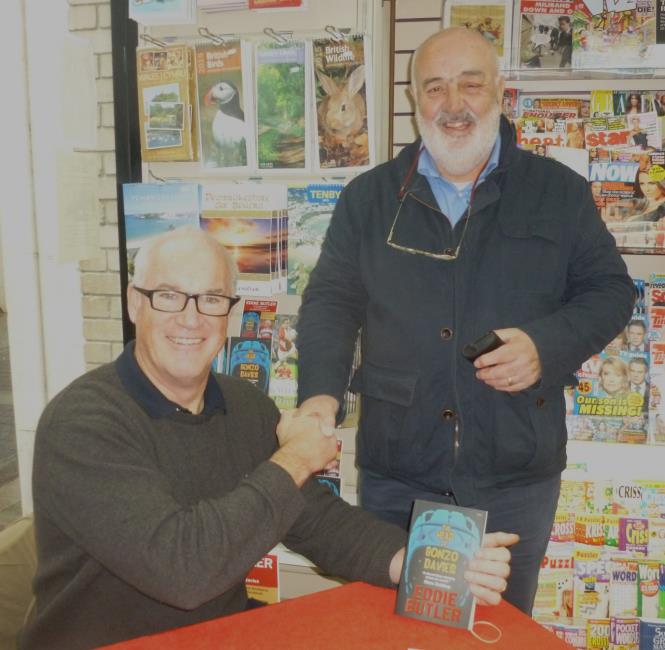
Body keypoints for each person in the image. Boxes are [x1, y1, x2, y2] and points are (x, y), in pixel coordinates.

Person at [20, 229, 517, 650]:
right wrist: (296, 455)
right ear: (134, 303)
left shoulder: (243, 404)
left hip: (224, 635)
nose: (191, 318)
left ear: (231, 315)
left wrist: (428, 560)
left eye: (211, 300)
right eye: (168, 296)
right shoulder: (82, 423)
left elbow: (317, 522)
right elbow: (183, 570)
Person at [295, 27, 634, 616]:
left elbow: (609, 292)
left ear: (499, 91)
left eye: (471, 85)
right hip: (397, 477)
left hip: (515, 478)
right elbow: (330, 303)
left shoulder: (559, 192)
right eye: (435, 87)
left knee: (500, 630)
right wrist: (319, 399)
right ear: (414, 99)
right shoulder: (368, 200)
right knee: (392, 629)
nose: (454, 104)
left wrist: (544, 345)